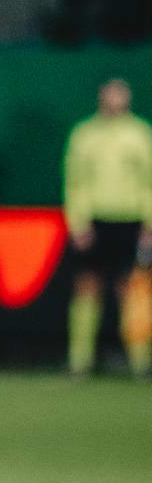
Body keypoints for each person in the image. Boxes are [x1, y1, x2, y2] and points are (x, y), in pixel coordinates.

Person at [64, 78, 152, 377]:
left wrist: (149, 224)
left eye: (120, 95)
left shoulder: (140, 133)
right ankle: (80, 359)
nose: (114, 100)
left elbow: (149, 182)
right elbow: (75, 181)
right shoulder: (84, 134)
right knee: (87, 285)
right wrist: (78, 222)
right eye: (110, 95)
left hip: (131, 219)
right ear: (101, 98)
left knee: (132, 289)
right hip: (95, 220)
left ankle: (140, 360)